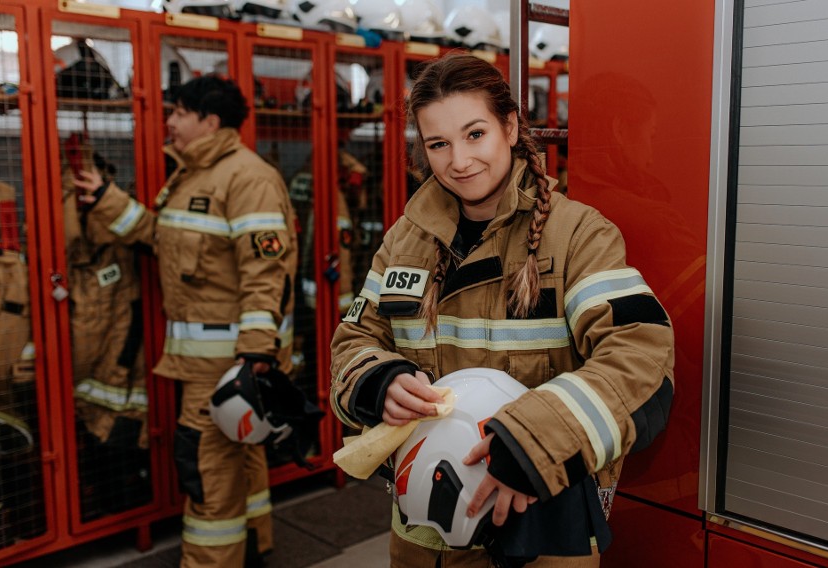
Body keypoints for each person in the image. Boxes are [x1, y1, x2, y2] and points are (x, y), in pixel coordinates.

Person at [329, 54, 674, 567]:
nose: (459, 161)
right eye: (438, 144)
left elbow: (640, 357)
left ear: (510, 126)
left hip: (536, 534)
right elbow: (354, 339)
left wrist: (533, 444)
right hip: (421, 536)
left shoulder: (578, 235)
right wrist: (380, 381)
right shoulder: (406, 239)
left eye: (474, 134)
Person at [74, 75, 298, 568]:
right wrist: (108, 199)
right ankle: (254, 548)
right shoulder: (193, 176)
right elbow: (163, 238)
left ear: (209, 121)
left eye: (178, 112)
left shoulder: (247, 178)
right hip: (207, 361)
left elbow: (266, 270)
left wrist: (256, 352)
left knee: (204, 468)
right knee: (241, 452)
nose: (170, 122)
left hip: (229, 362)